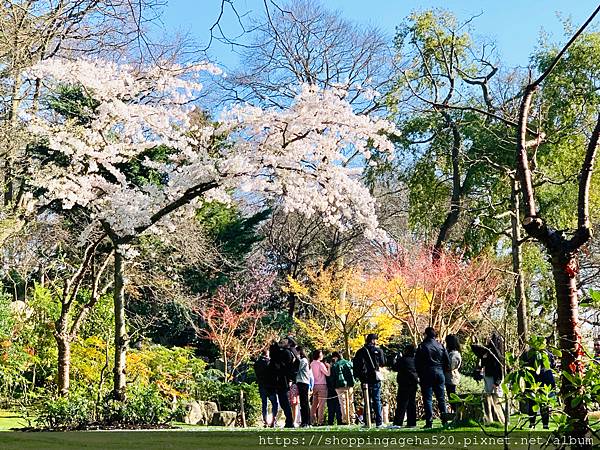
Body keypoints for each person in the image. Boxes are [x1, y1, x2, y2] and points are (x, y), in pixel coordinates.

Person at [415, 327, 450, 428]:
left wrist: (419, 373)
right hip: (439, 372)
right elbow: (447, 361)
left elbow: (417, 362)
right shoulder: (441, 346)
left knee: (428, 399)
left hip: (426, 373)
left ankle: (429, 422)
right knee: (441, 398)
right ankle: (445, 420)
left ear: (426, 334)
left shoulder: (422, 346)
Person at [353, 333, 386, 427]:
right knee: (376, 399)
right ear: (373, 340)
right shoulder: (378, 350)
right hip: (375, 378)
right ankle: (379, 422)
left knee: (367, 400)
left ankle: (367, 421)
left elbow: (356, 366)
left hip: (364, 379)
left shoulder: (360, 351)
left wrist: (359, 376)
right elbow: (383, 363)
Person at [471, 332, 505, 424]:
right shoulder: (489, 351)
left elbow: (499, 369)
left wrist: (497, 382)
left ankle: (500, 417)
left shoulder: (496, 354)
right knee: (490, 396)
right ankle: (492, 417)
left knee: (497, 397)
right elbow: (476, 349)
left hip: (493, 378)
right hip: (488, 376)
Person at [521, 342, 556, 429]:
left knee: (532, 403)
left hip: (533, 381)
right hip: (545, 381)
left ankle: (532, 423)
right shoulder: (548, 354)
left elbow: (523, 365)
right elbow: (552, 365)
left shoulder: (528, 354)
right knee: (544, 403)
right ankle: (545, 424)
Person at [268, 339, 297, 428]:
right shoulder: (287, 353)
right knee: (283, 401)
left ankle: (289, 421)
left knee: (284, 401)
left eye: (284, 341)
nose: (281, 342)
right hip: (282, 380)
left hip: (282, 380)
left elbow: (275, 357)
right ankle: (289, 421)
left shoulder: (286, 353)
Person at [392, 344, 419, 427]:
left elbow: (395, 368)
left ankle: (398, 422)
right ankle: (412, 422)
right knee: (412, 402)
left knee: (402, 403)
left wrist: (395, 359)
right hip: (413, 382)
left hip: (404, 383)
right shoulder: (416, 360)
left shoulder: (403, 360)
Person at [254, 349, 278, 427]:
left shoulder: (257, 363)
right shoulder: (269, 363)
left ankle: (265, 421)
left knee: (264, 404)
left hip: (261, 385)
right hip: (270, 386)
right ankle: (273, 420)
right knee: (274, 403)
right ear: (267, 354)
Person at [331, 351, 355, 424]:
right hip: (349, 385)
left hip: (339, 386)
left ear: (336, 357)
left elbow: (333, 377)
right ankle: (352, 418)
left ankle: (345, 419)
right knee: (351, 402)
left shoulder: (335, 365)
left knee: (342, 403)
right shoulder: (349, 363)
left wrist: (333, 386)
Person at [310, 349, 330, 425]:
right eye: (321, 354)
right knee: (321, 404)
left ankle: (312, 420)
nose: (322, 355)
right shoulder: (320, 364)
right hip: (322, 386)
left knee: (314, 404)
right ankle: (320, 421)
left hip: (314, 385)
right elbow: (327, 374)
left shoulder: (311, 363)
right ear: (319, 355)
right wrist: (329, 367)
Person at [445, 334, 462, 412]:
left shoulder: (454, 354)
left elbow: (451, 366)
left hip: (451, 377)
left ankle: (457, 412)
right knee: (451, 396)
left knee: (452, 396)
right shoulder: (451, 353)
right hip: (449, 377)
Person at [295, 346, 311, 427]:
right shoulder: (303, 360)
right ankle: (305, 421)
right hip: (302, 382)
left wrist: (296, 359)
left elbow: (297, 369)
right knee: (303, 402)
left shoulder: (303, 360)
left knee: (304, 403)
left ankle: (306, 421)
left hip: (303, 382)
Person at [326, 353, 343, 425]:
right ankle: (339, 420)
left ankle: (331, 421)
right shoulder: (337, 367)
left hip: (330, 388)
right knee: (337, 405)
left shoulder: (329, 368)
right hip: (335, 387)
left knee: (331, 407)